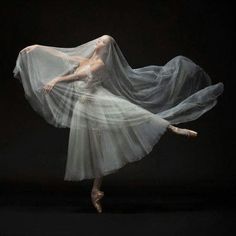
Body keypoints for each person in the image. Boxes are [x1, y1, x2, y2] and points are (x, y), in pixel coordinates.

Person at [14, 35, 224, 213]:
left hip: (99, 102)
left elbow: (79, 75)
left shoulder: (99, 64)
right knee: (96, 150)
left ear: (106, 49)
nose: (97, 43)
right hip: (84, 108)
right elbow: (63, 55)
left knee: (135, 114)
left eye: (102, 43)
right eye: (99, 41)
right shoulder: (85, 59)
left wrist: (56, 80)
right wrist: (38, 47)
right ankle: (96, 190)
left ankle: (174, 128)